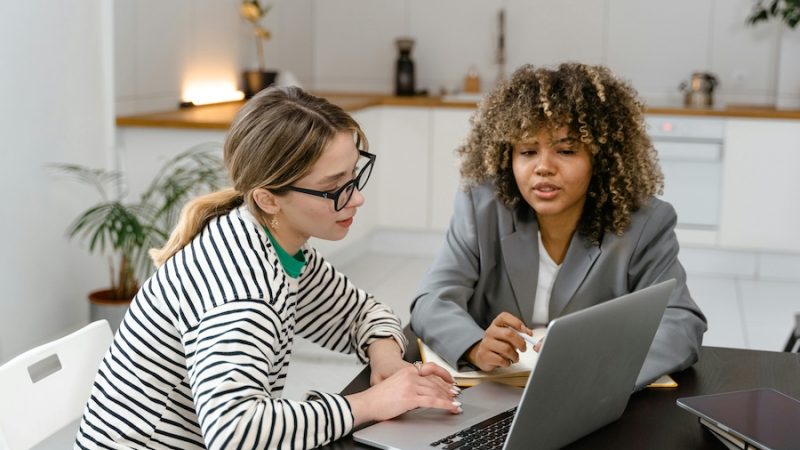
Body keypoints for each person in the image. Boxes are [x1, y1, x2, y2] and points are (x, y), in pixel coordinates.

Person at [75, 87, 461, 450]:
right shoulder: (244, 289)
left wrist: (388, 362)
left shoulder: (271, 243)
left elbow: (361, 312)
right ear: (269, 199)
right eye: (335, 188)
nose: (357, 197)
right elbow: (235, 432)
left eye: (354, 176)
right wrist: (369, 404)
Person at [410, 63, 707, 389]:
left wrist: (602, 367)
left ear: (600, 157)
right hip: (492, 395)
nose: (543, 168)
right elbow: (431, 300)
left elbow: (681, 325)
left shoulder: (643, 223)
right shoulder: (482, 207)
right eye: (527, 151)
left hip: (590, 400)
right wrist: (473, 345)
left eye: (566, 150)